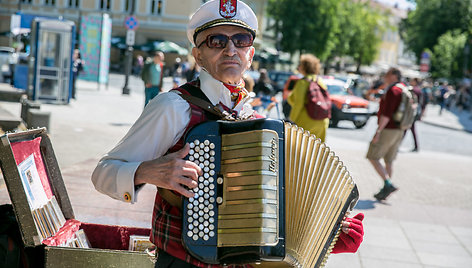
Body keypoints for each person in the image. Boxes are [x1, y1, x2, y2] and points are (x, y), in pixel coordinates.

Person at [92, 1, 364, 267]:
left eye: (241, 40)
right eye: (217, 41)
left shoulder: (258, 123)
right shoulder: (174, 107)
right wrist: (145, 172)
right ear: (198, 55)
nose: (231, 49)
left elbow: (274, 211)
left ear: (251, 54)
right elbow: (103, 173)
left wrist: (326, 234)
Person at [366, 67, 405, 201]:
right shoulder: (403, 88)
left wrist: (378, 131)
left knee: (372, 155)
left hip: (388, 129)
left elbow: (387, 114)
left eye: (388, 74)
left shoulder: (394, 91)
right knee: (389, 160)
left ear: (394, 75)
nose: (385, 77)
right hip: (400, 130)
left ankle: (388, 184)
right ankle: (385, 190)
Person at [287, 53, 330, 142]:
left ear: (304, 67)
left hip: (305, 121)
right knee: (316, 151)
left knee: (298, 151)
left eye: (300, 64)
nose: (298, 66)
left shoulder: (302, 82)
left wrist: (291, 120)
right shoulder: (320, 81)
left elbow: (298, 104)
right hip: (323, 121)